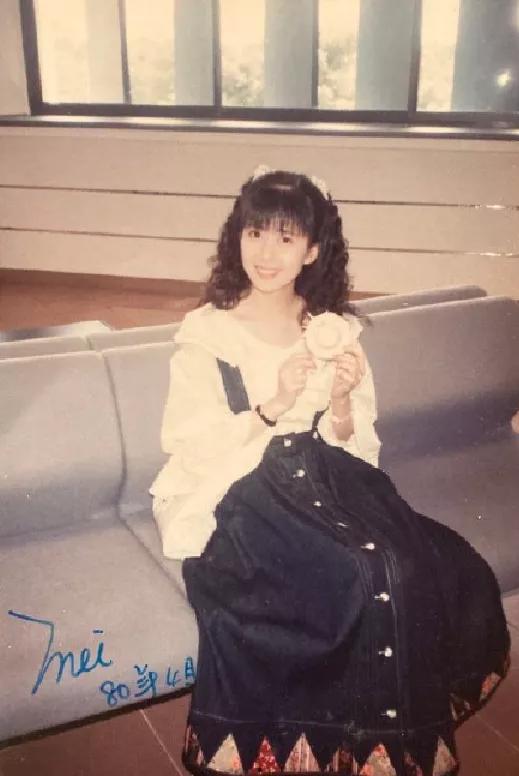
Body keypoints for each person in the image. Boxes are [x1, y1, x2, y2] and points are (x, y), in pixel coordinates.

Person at [150, 167, 510, 776]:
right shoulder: (209, 332)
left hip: (327, 471)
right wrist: (271, 405)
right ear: (237, 237)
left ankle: (384, 749)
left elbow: (357, 444)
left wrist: (340, 399)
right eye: (255, 233)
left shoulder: (331, 328)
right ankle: (325, 744)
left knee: (426, 562)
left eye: (286, 238)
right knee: (357, 572)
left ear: (313, 250)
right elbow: (186, 442)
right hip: (243, 484)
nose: (267, 253)